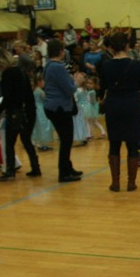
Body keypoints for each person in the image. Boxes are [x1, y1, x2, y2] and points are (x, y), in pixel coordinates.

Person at [98, 31, 140, 192]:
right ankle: (131, 182)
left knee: (114, 144)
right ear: (127, 46)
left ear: (111, 47)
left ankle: (115, 183)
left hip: (113, 104)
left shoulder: (105, 65)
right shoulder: (136, 65)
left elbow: (102, 88)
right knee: (132, 145)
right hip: (132, 104)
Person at [0, 49, 40, 181]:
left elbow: (8, 96)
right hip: (28, 111)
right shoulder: (21, 71)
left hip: (15, 112)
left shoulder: (7, 73)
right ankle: (36, 167)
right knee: (26, 141)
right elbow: (28, 94)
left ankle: (10, 171)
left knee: (9, 142)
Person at [43, 39, 82, 183]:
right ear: (60, 51)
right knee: (66, 140)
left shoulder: (48, 65)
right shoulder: (57, 67)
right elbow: (70, 89)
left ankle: (68, 167)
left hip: (52, 106)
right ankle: (64, 173)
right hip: (59, 107)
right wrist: (77, 81)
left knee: (66, 139)